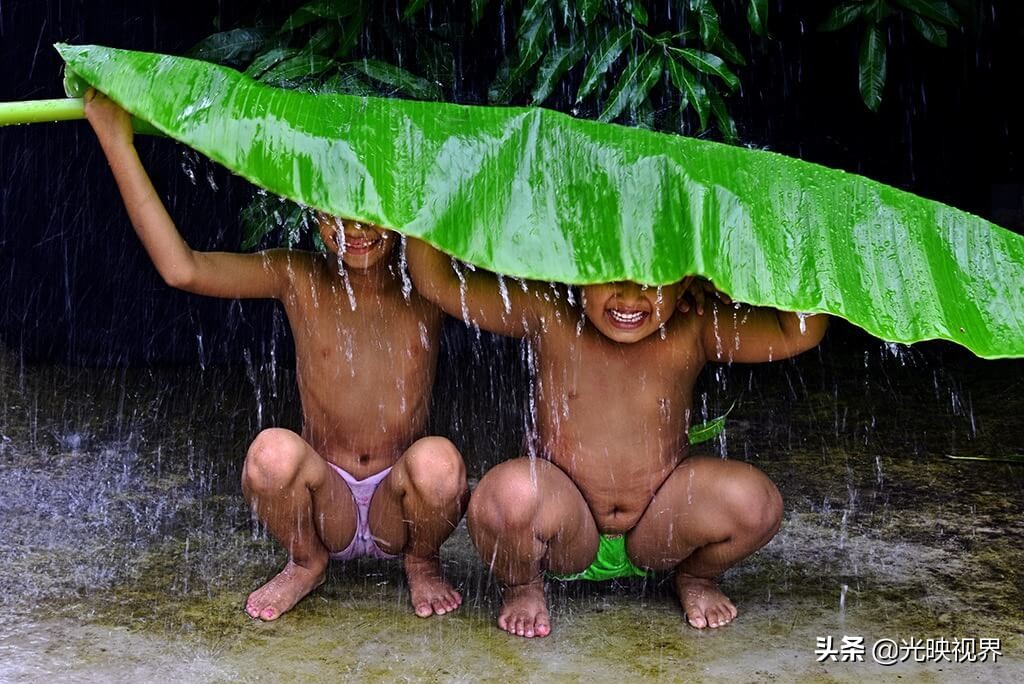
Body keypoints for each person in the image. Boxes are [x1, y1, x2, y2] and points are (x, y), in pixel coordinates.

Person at [84, 89, 468, 622]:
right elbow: (183, 268)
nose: (354, 228)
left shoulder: (428, 280)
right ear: (311, 211)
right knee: (270, 454)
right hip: (323, 497)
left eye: (371, 210)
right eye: (336, 212)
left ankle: (422, 560)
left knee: (439, 462)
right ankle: (306, 561)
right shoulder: (297, 275)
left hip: (400, 503)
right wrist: (114, 138)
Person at [407, 238, 828, 638]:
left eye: (651, 280)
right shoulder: (549, 310)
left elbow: (799, 332)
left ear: (684, 283)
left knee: (757, 504)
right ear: (576, 273)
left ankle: (696, 573)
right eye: (610, 275)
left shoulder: (694, 326)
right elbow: (438, 282)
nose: (629, 298)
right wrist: (423, 199)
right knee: (504, 498)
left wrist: (760, 264)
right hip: (564, 534)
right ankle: (523, 584)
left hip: (662, 529)